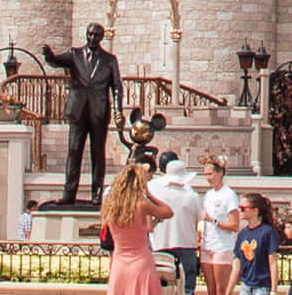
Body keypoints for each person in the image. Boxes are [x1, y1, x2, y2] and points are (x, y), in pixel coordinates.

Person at [43, 24, 124, 207]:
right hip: (78, 110)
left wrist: (118, 110)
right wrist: (48, 55)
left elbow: (117, 86)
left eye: (95, 35)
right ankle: (69, 193)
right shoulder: (75, 54)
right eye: (89, 34)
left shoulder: (109, 60)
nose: (92, 38)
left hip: (99, 111)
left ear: (101, 37)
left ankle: (97, 194)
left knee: (98, 154)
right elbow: (56, 61)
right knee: (74, 151)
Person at [103, 163, 173, 295]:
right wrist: (149, 194)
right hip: (141, 262)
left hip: (119, 263)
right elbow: (168, 212)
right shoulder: (142, 205)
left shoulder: (110, 207)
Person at [158, 161, 201, 294]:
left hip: (162, 244)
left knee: (164, 288)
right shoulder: (192, 196)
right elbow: (198, 218)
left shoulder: (158, 195)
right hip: (186, 244)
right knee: (187, 288)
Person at [199, 156, 239, 295]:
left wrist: (213, 220)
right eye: (206, 175)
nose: (208, 178)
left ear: (220, 173)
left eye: (210, 174)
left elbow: (234, 225)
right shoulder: (209, 194)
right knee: (211, 290)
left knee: (220, 290)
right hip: (207, 245)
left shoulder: (229, 195)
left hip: (222, 247)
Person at [226, 193, 278, 295]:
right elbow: (237, 265)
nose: (239, 211)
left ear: (255, 211)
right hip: (246, 285)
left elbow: (273, 262)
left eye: (243, 208)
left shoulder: (267, 232)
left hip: (262, 286)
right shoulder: (242, 234)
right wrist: (228, 291)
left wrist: (274, 290)